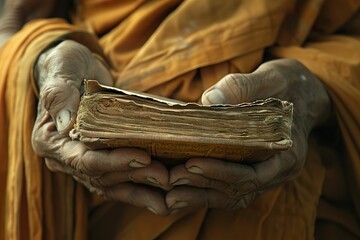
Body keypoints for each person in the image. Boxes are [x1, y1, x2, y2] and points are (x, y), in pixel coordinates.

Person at [0, 0, 359, 239]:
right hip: (102, 213)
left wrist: (313, 91)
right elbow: (14, 27)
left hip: (309, 192)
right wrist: (45, 60)